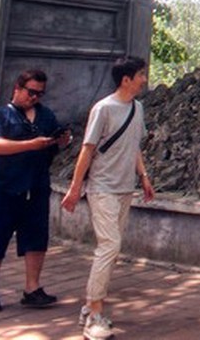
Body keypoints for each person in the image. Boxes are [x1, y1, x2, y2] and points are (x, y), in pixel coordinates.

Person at [62, 56, 154, 340]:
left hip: (125, 187)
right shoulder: (103, 108)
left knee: (112, 250)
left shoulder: (136, 108)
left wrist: (144, 177)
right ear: (125, 79)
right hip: (102, 188)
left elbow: (134, 145)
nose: (144, 79)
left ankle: (90, 305)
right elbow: (87, 150)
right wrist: (75, 188)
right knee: (109, 246)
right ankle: (95, 315)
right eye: (140, 74)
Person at [0, 69, 70, 313]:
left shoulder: (45, 115)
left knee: (36, 239)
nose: (35, 98)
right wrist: (30, 144)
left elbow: (52, 143)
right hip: (4, 187)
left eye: (40, 93)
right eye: (31, 92)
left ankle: (32, 288)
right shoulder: (0, 116)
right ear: (17, 89)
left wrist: (61, 140)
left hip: (36, 185)